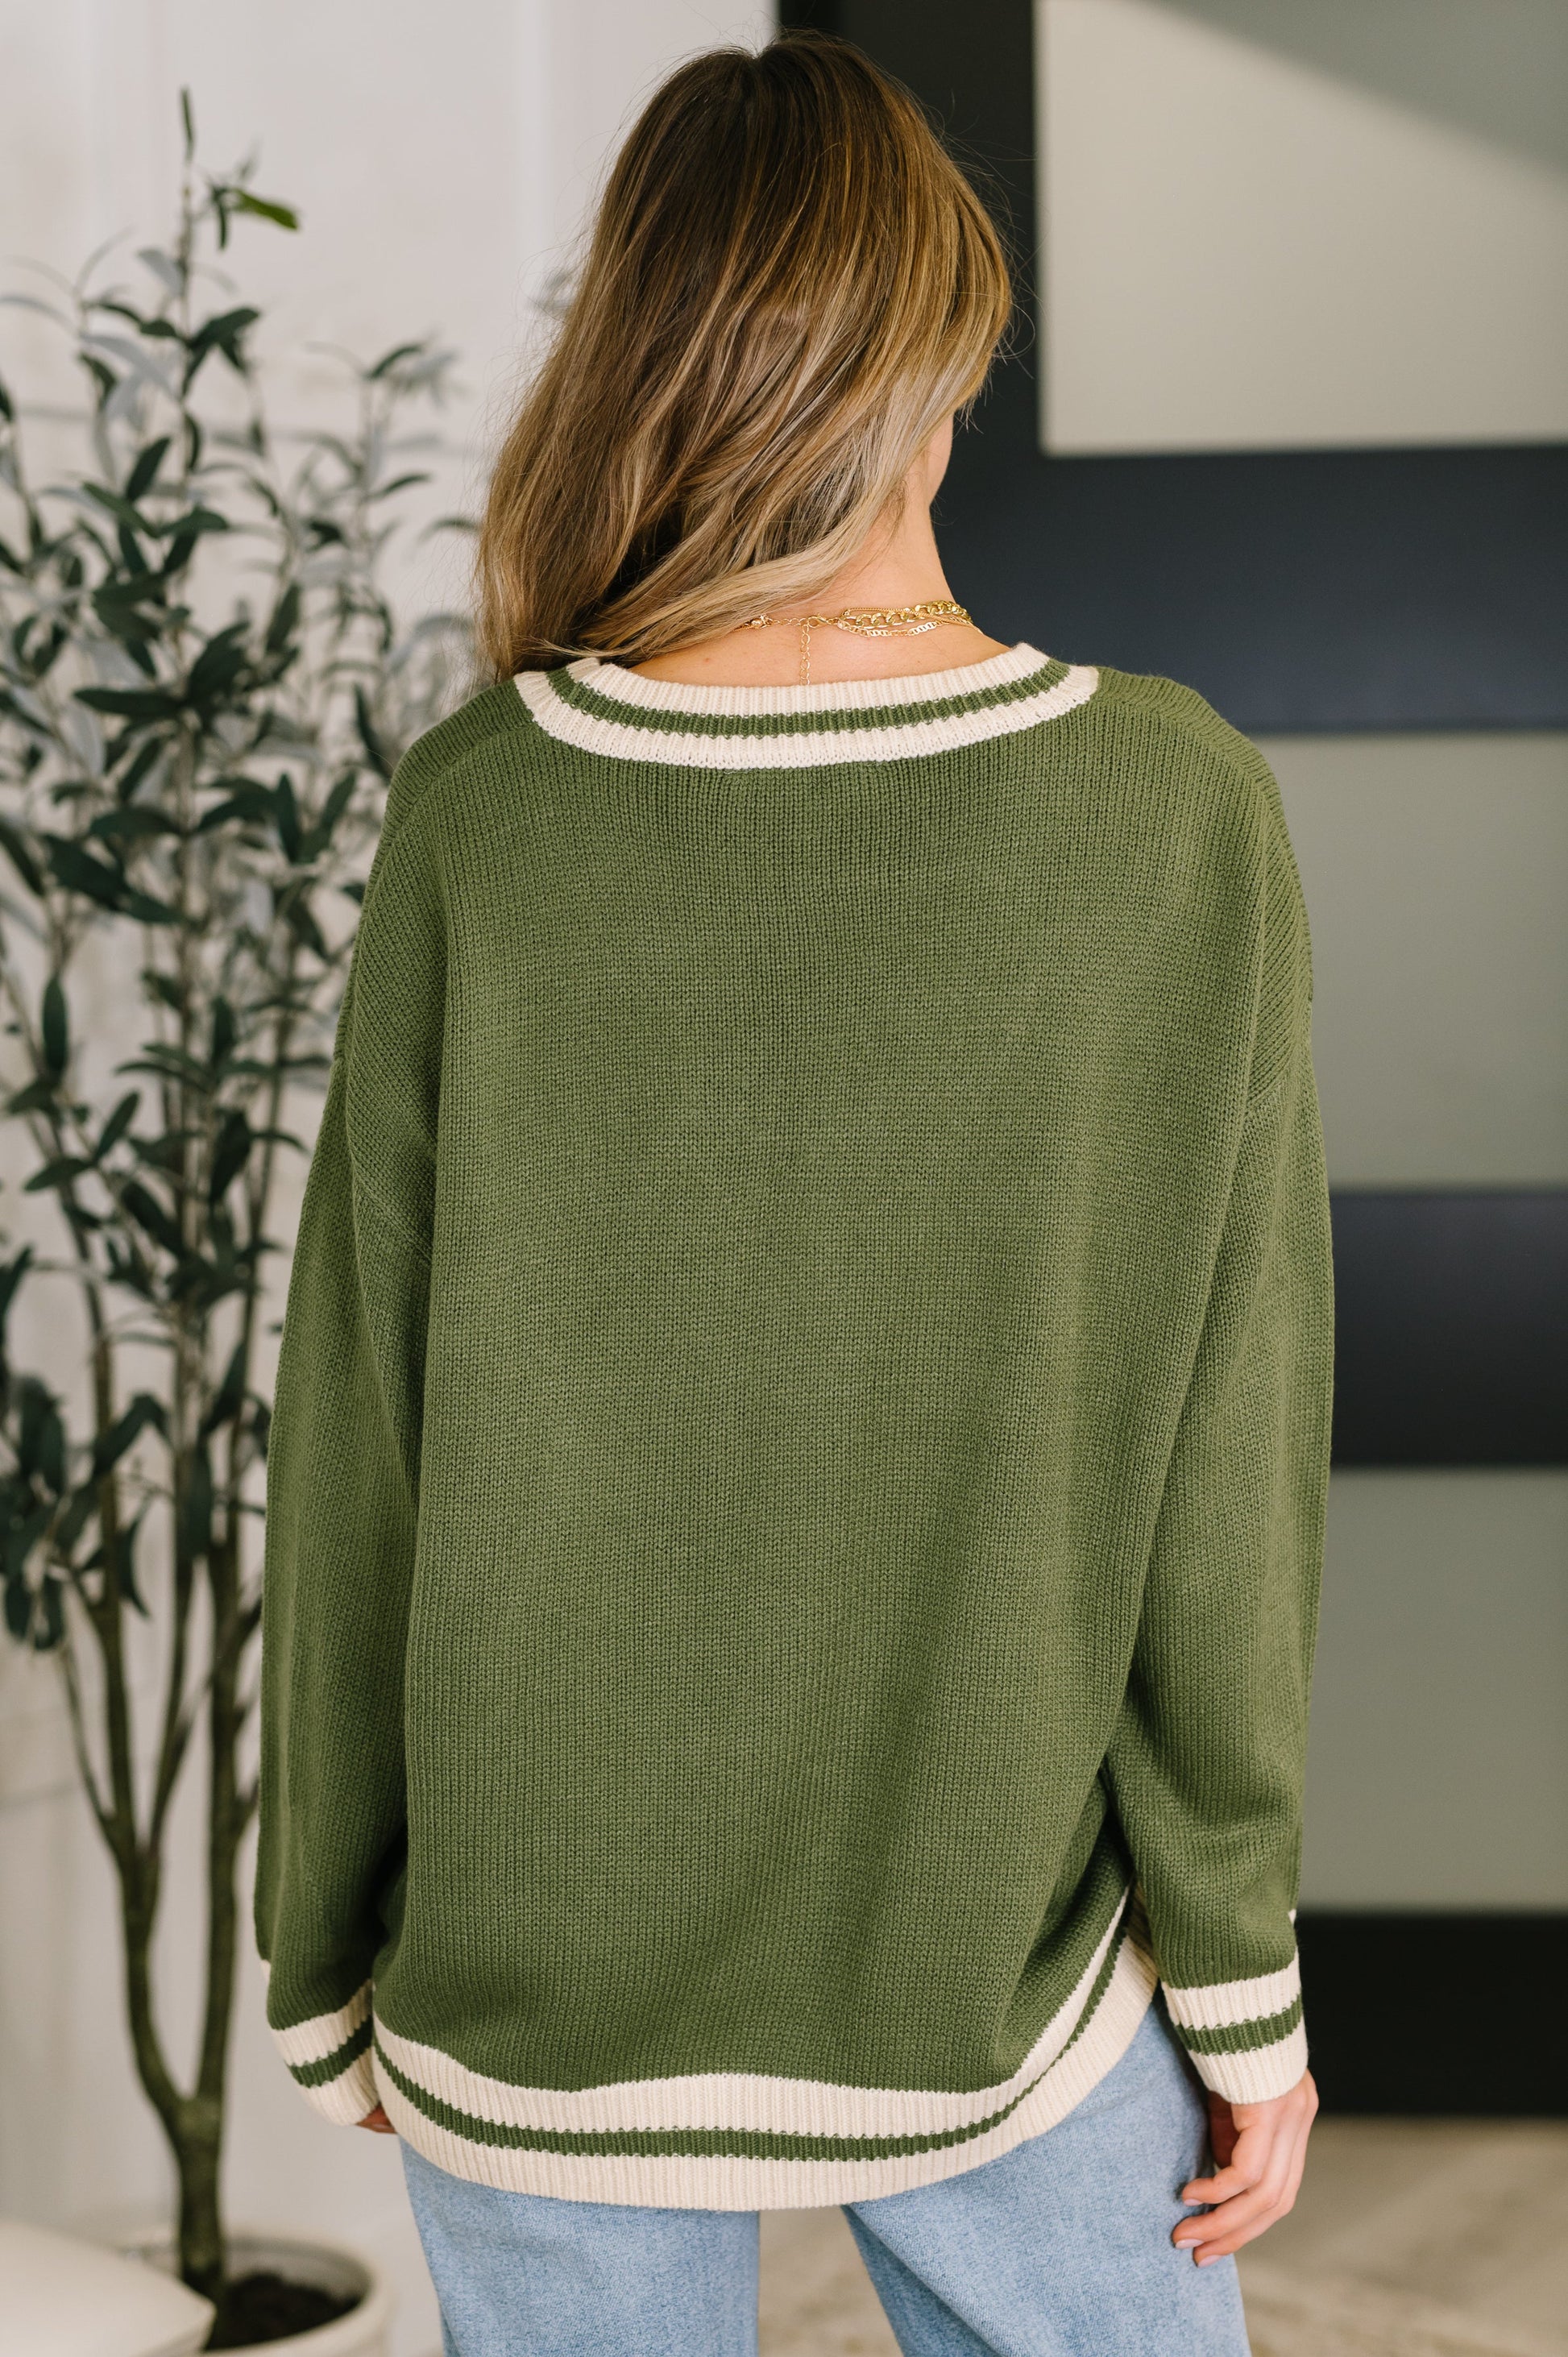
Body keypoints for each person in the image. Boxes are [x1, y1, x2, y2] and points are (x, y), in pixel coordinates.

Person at [255, 31, 1331, 2357]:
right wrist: (1237, 1966)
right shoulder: (1173, 813)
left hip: (540, 1974)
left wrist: (321, 1928)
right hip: (1002, 1954)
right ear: (940, 363)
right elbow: (1221, 1456)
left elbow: (358, 1432)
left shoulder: (486, 811)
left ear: (643, 356)